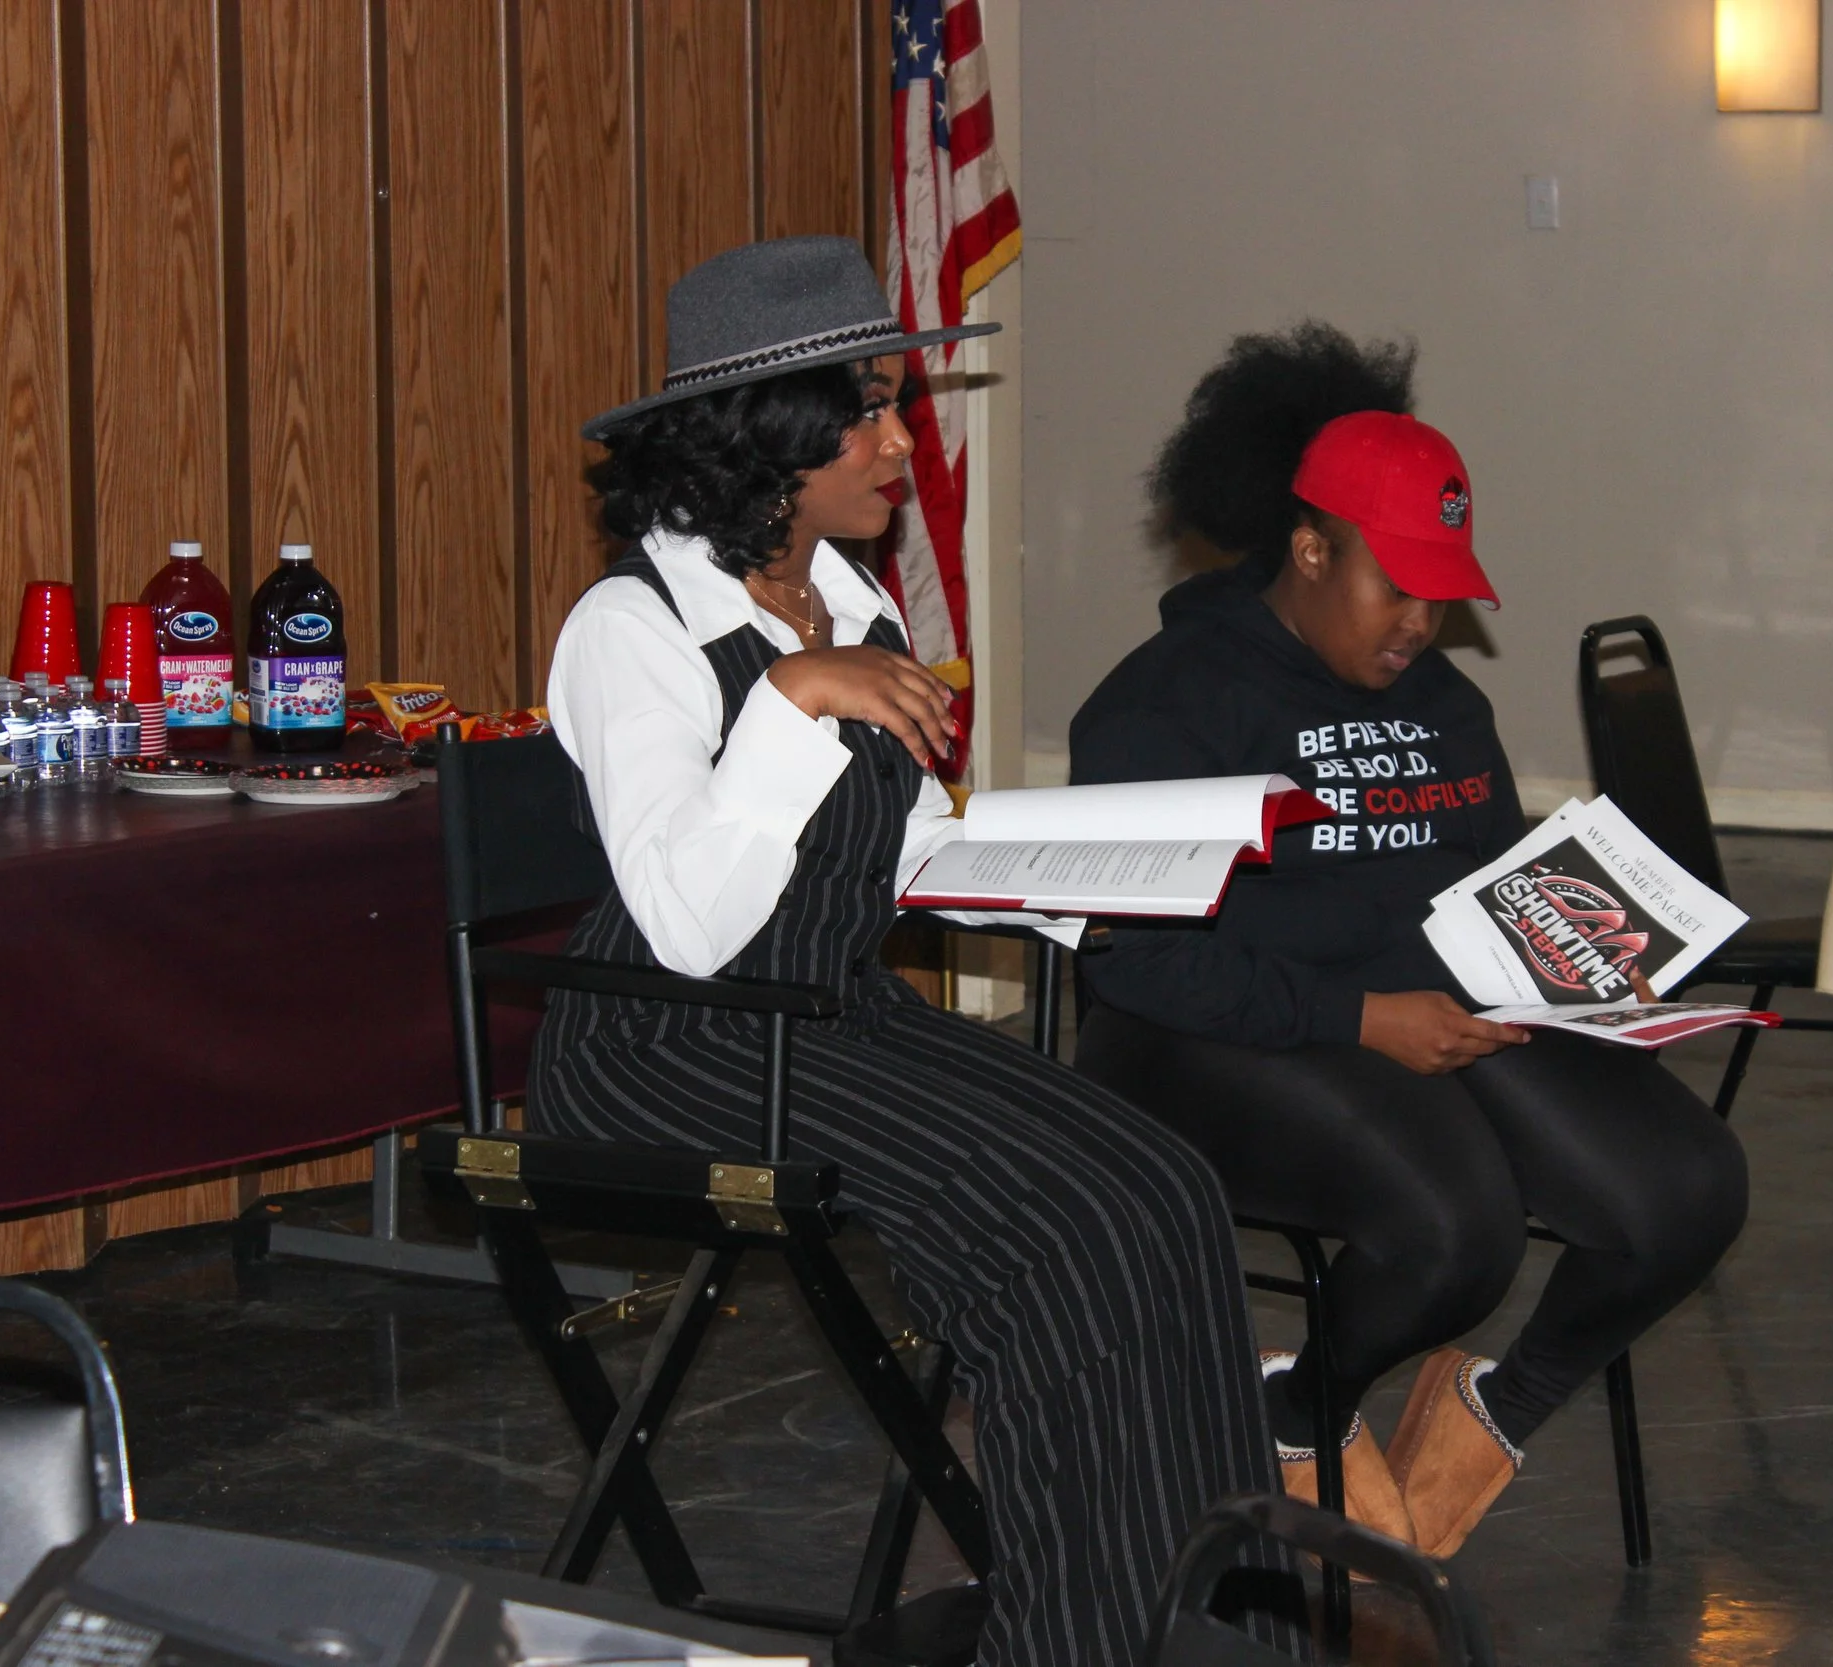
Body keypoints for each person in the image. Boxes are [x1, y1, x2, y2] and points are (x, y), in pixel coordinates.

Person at [529, 236, 1279, 1667]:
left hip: (822, 1013)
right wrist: (794, 702)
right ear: (770, 440)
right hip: (664, 1045)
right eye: (865, 412)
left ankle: (1202, 1619)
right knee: (1054, 1233)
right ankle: (1069, 1638)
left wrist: (1075, 880)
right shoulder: (630, 629)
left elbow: (895, 849)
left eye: (895, 404)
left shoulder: (852, 598)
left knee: (1165, 1186)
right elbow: (687, 922)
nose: (898, 440)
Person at [1070, 323, 1749, 1562]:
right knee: (1456, 1227)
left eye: (1444, 590)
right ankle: (1293, 1408)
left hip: (1425, 1009)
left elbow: (1481, 881)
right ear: (1312, 547)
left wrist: (1583, 968)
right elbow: (1134, 959)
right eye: (1398, 584)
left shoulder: (1444, 704)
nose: (1421, 621)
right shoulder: (1166, 699)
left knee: (1684, 1187)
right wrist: (1364, 1018)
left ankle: (1491, 1413)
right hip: (1201, 1034)